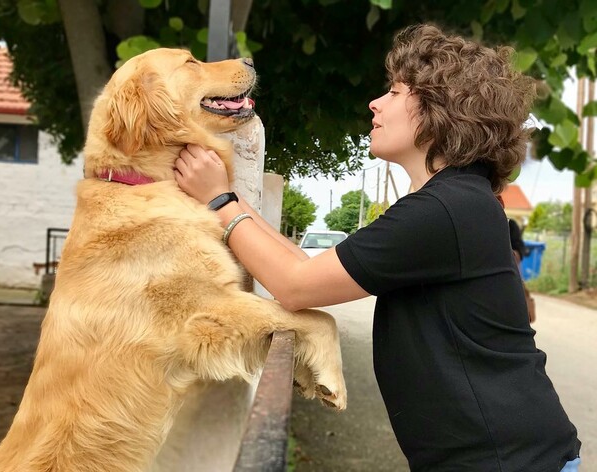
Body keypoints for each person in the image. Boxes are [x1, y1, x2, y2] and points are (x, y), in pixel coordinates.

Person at [174, 24, 581, 472]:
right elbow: (303, 267)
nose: (375, 103)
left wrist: (220, 203)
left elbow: (293, 285)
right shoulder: (454, 202)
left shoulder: (446, 210)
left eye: (394, 91)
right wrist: (236, 202)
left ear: (441, 107)